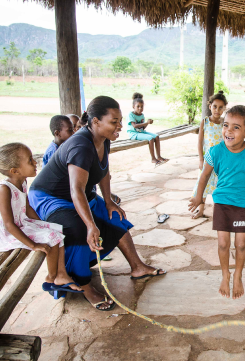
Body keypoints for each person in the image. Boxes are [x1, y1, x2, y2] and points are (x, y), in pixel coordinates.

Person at [29, 96, 166, 311]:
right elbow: (76, 190)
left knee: (114, 216)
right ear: (95, 122)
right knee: (79, 228)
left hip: (77, 194)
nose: (120, 125)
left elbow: (104, 171)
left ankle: (137, 267)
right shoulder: (80, 146)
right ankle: (85, 286)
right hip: (50, 197)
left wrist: (109, 201)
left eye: (120, 120)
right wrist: (91, 225)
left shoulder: (104, 138)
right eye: (114, 121)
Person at [189, 105, 245, 299]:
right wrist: (199, 196)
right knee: (222, 244)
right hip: (221, 202)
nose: (228, 131)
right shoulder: (215, 152)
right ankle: (225, 274)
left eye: (236, 127)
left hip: (243, 205)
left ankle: (237, 274)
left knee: (241, 244)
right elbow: (204, 175)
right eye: (226, 125)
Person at [0, 143, 82, 294]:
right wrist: (33, 245)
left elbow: (27, 208)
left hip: (18, 224)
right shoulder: (4, 189)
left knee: (55, 228)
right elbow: (8, 224)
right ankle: (51, 278)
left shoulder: (22, 182)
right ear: (14, 171)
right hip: (2, 233)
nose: (35, 162)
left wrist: (43, 224)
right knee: (51, 236)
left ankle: (62, 275)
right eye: (30, 161)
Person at [191, 91, 227, 219]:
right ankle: (201, 210)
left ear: (224, 108)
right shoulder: (205, 121)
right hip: (207, 159)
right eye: (215, 106)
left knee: (220, 185)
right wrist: (201, 159)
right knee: (203, 183)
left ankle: (220, 211)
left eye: (221, 107)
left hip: (221, 160)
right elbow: (200, 141)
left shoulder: (225, 123)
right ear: (210, 106)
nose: (217, 110)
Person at [127, 92, 168, 166]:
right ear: (133, 106)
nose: (140, 108)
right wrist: (146, 123)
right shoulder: (130, 114)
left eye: (142, 106)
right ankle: (153, 158)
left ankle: (159, 156)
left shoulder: (142, 115)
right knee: (150, 138)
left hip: (141, 132)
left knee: (156, 136)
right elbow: (135, 126)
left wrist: (148, 123)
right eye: (138, 106)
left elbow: (142, 127)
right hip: (133, 134)